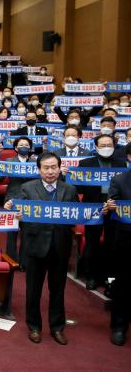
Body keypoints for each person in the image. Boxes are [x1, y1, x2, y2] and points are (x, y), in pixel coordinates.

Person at [5, 152, 79, 345]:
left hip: (60, 247)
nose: (50, 171)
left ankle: (57, 328)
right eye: (46, 167)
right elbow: (17, 214)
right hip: (35, 246)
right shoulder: (27, 188)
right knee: (33, 291)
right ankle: (34, 327)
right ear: (39, 169)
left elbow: (77, 215)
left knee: (58, 291)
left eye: (54, 167)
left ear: (60, 168)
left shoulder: (69, 189)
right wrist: (15, 212)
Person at [76, 134, 126, 290]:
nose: (106, 148)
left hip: (115, 208)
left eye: (109, 145)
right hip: (93, 208)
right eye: (102, 145)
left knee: (112, 244)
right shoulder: (85, 163)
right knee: (92, 243)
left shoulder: (121, 163)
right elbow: (79, 188)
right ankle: (91, 276)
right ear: (96, 147)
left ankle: (109, 278)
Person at [104, 142, 131, 346]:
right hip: (127, 241)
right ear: (129, 158)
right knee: (123, 285)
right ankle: (119, 326)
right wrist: (110, 207)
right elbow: (111, 211)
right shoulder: (119, 180)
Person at [3, 136, 37, 269]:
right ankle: (11, 260)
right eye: (21, 145)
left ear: (30, 148)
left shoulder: (35, 162)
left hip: (30, 199)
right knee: (12, 232)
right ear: (16, 148)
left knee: (26, 232)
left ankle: (24, 263)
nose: (24, 147)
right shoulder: (9, 161)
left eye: (27, 145)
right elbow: (0, 179)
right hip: (12, 199)